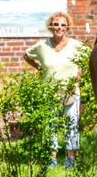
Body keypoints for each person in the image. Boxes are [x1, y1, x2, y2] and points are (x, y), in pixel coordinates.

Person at [23, 12, 85, 168]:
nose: (59, 27)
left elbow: (86, 58)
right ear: (51, 26)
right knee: (51, 125)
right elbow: (26, 55)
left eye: (63, 25)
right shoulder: (42, 46)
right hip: (49, 92)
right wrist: (39, 68)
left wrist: (77, 77)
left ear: (67, 27)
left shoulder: (75, 45)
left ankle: (70, 159)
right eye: (56, 24)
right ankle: (52, 158)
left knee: (72, 124)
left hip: (71, 91)